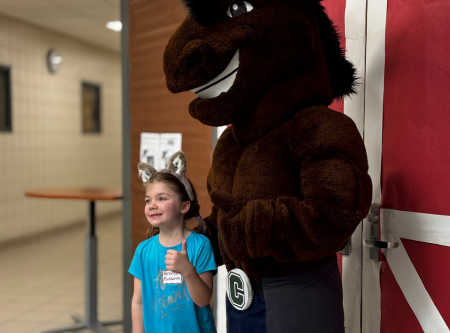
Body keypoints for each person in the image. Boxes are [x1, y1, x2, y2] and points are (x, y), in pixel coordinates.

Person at [129, 151, 217, 333]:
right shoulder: (143, 251)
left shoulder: (200, 245)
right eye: (148, 200)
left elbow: (203, 299)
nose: (152, 205)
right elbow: (138, 302)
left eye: (162, 198)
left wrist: (187, 271)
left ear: (184, 206)